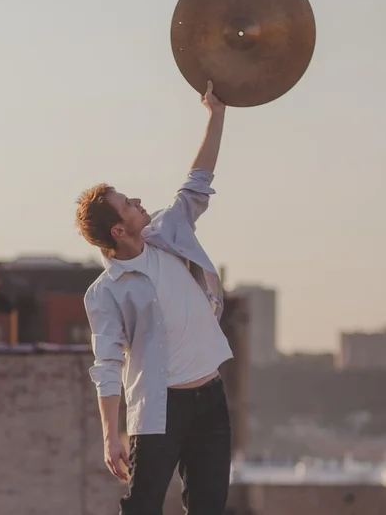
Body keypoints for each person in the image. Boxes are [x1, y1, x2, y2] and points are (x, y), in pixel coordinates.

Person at [74, 81, 234, 515]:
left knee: (208, 507)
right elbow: (107, 365)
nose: (139, 201)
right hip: (162, 409)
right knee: (142, 506)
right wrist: (112, 435)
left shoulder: (167, 232)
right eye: (127, 204)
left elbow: (198, 182)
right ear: (118, 231)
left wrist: (215, 114)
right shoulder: (106, 293)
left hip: (212, 397)